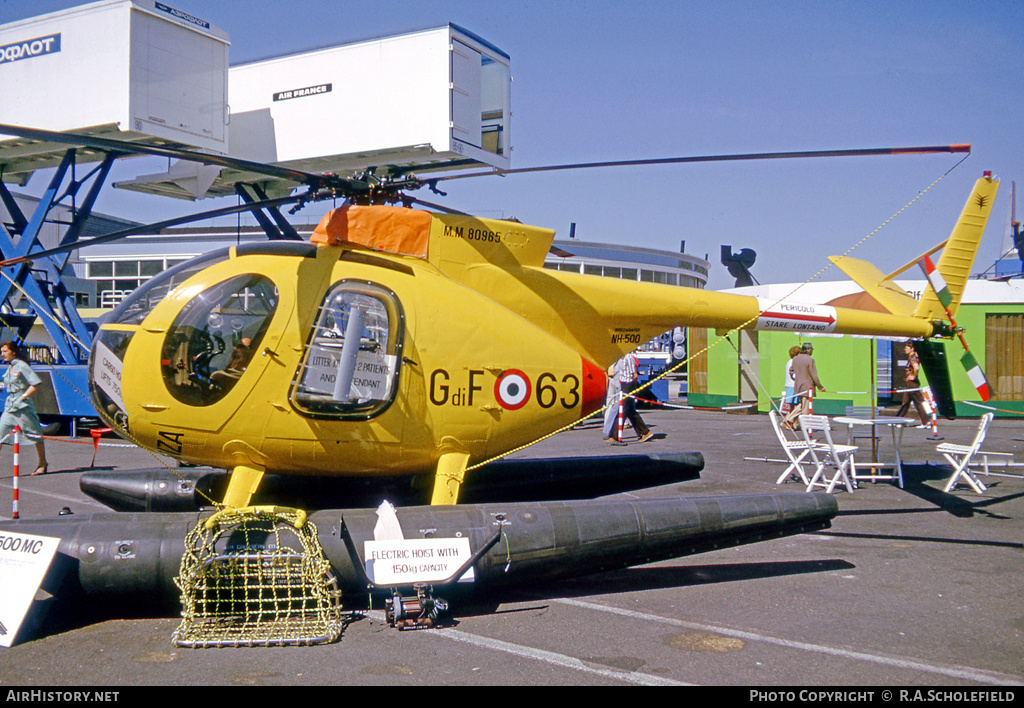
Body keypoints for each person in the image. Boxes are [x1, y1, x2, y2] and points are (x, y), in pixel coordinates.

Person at [0, 340, 50, 475]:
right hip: (10, 406)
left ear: (13, 351)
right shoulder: (10, 367)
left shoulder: (22, 366)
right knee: (0, 434)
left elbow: (35, 384)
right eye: (1, 351)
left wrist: (22, 397)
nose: (2, 354)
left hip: (23, 406)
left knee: (35, 434)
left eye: (5, 351)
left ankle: (43, 463)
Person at [607, 352, 653, 443]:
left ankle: (614, 436)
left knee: (622, 411)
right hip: (623, 384)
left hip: (628, 385)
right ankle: (645, 432)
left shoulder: (628, 358)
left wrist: (633, 388)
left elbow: (634, 375)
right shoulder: (621, 358)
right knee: (630, 411)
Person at [783, 342, 825, 430]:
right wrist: (820, 387)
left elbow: (791, 371)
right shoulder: (810, 360)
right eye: (812, 349)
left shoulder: (795, 359)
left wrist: (797, 379)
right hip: (807, 386)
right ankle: (806, 427)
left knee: (802, 405)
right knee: (806, 408)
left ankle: (789, 419)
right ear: (809, 350)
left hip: (798, 386)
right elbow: (814, 375)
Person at [896, 342, 929, 427]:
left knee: (918, 403)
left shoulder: (913, 357)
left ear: (912, 348)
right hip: (910, 384)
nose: (905, 350)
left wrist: (913, 376)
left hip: (912, 384)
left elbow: (916, 367)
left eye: (907, 348)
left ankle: (926, 422)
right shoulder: (912, 357)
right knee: (906, 402)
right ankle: (898, 420)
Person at [782, 345, 802, 415]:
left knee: (792, 406)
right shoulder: (794, 362)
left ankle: (790, 421)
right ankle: (789, 421)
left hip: (789, 385)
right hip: (793, 385)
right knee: (796, 405)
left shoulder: (789, 362)